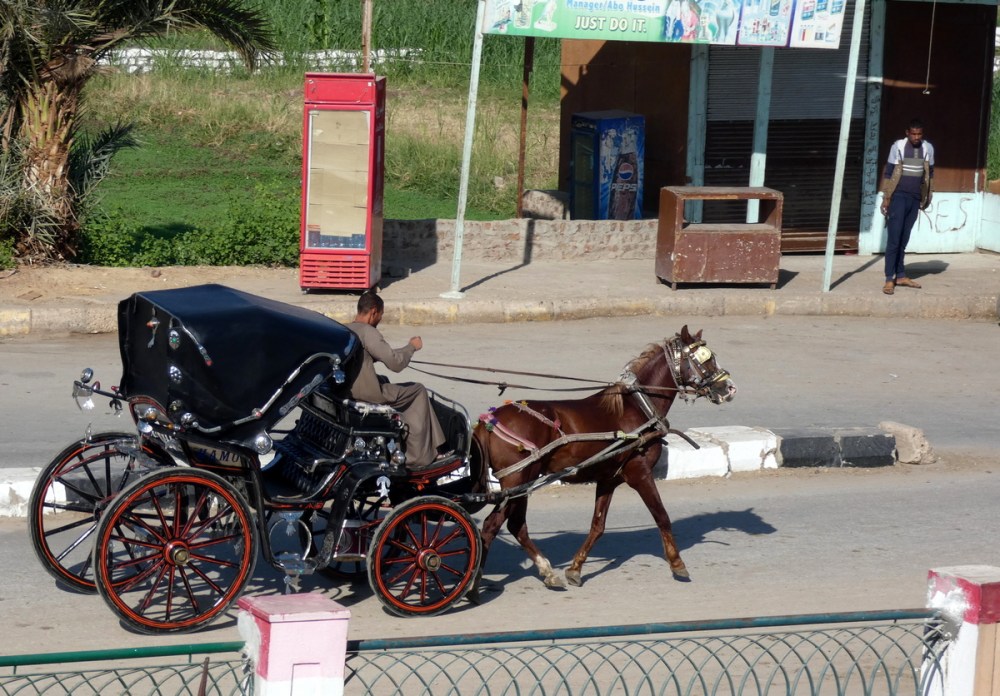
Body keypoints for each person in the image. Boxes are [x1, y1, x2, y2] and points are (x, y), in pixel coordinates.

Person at [346, 291, 448, 468]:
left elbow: (383, 356)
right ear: (374, 312)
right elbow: (396, 364)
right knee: (418, 391)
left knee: (384, 379)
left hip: (349, 390)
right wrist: (412, 347)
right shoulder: (368, 332)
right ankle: (418, 456)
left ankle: (417, 442)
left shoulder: (347, 328)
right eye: (381, 315)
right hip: (368, 394)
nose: (380, 319)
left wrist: (403, 351)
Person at [880, 118, 934, 296]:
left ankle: (901, 275)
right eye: (913, 134)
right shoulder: (898, 146)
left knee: (904, 239)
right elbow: (889, 172)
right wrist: (886, 197)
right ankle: (889, 278)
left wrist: (928, 196)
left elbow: (930, 173)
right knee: (894, 240)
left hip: (915, 198)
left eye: (919, 134)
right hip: (898, 197)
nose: (916, 137)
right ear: (907, 133)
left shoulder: (928, 148)